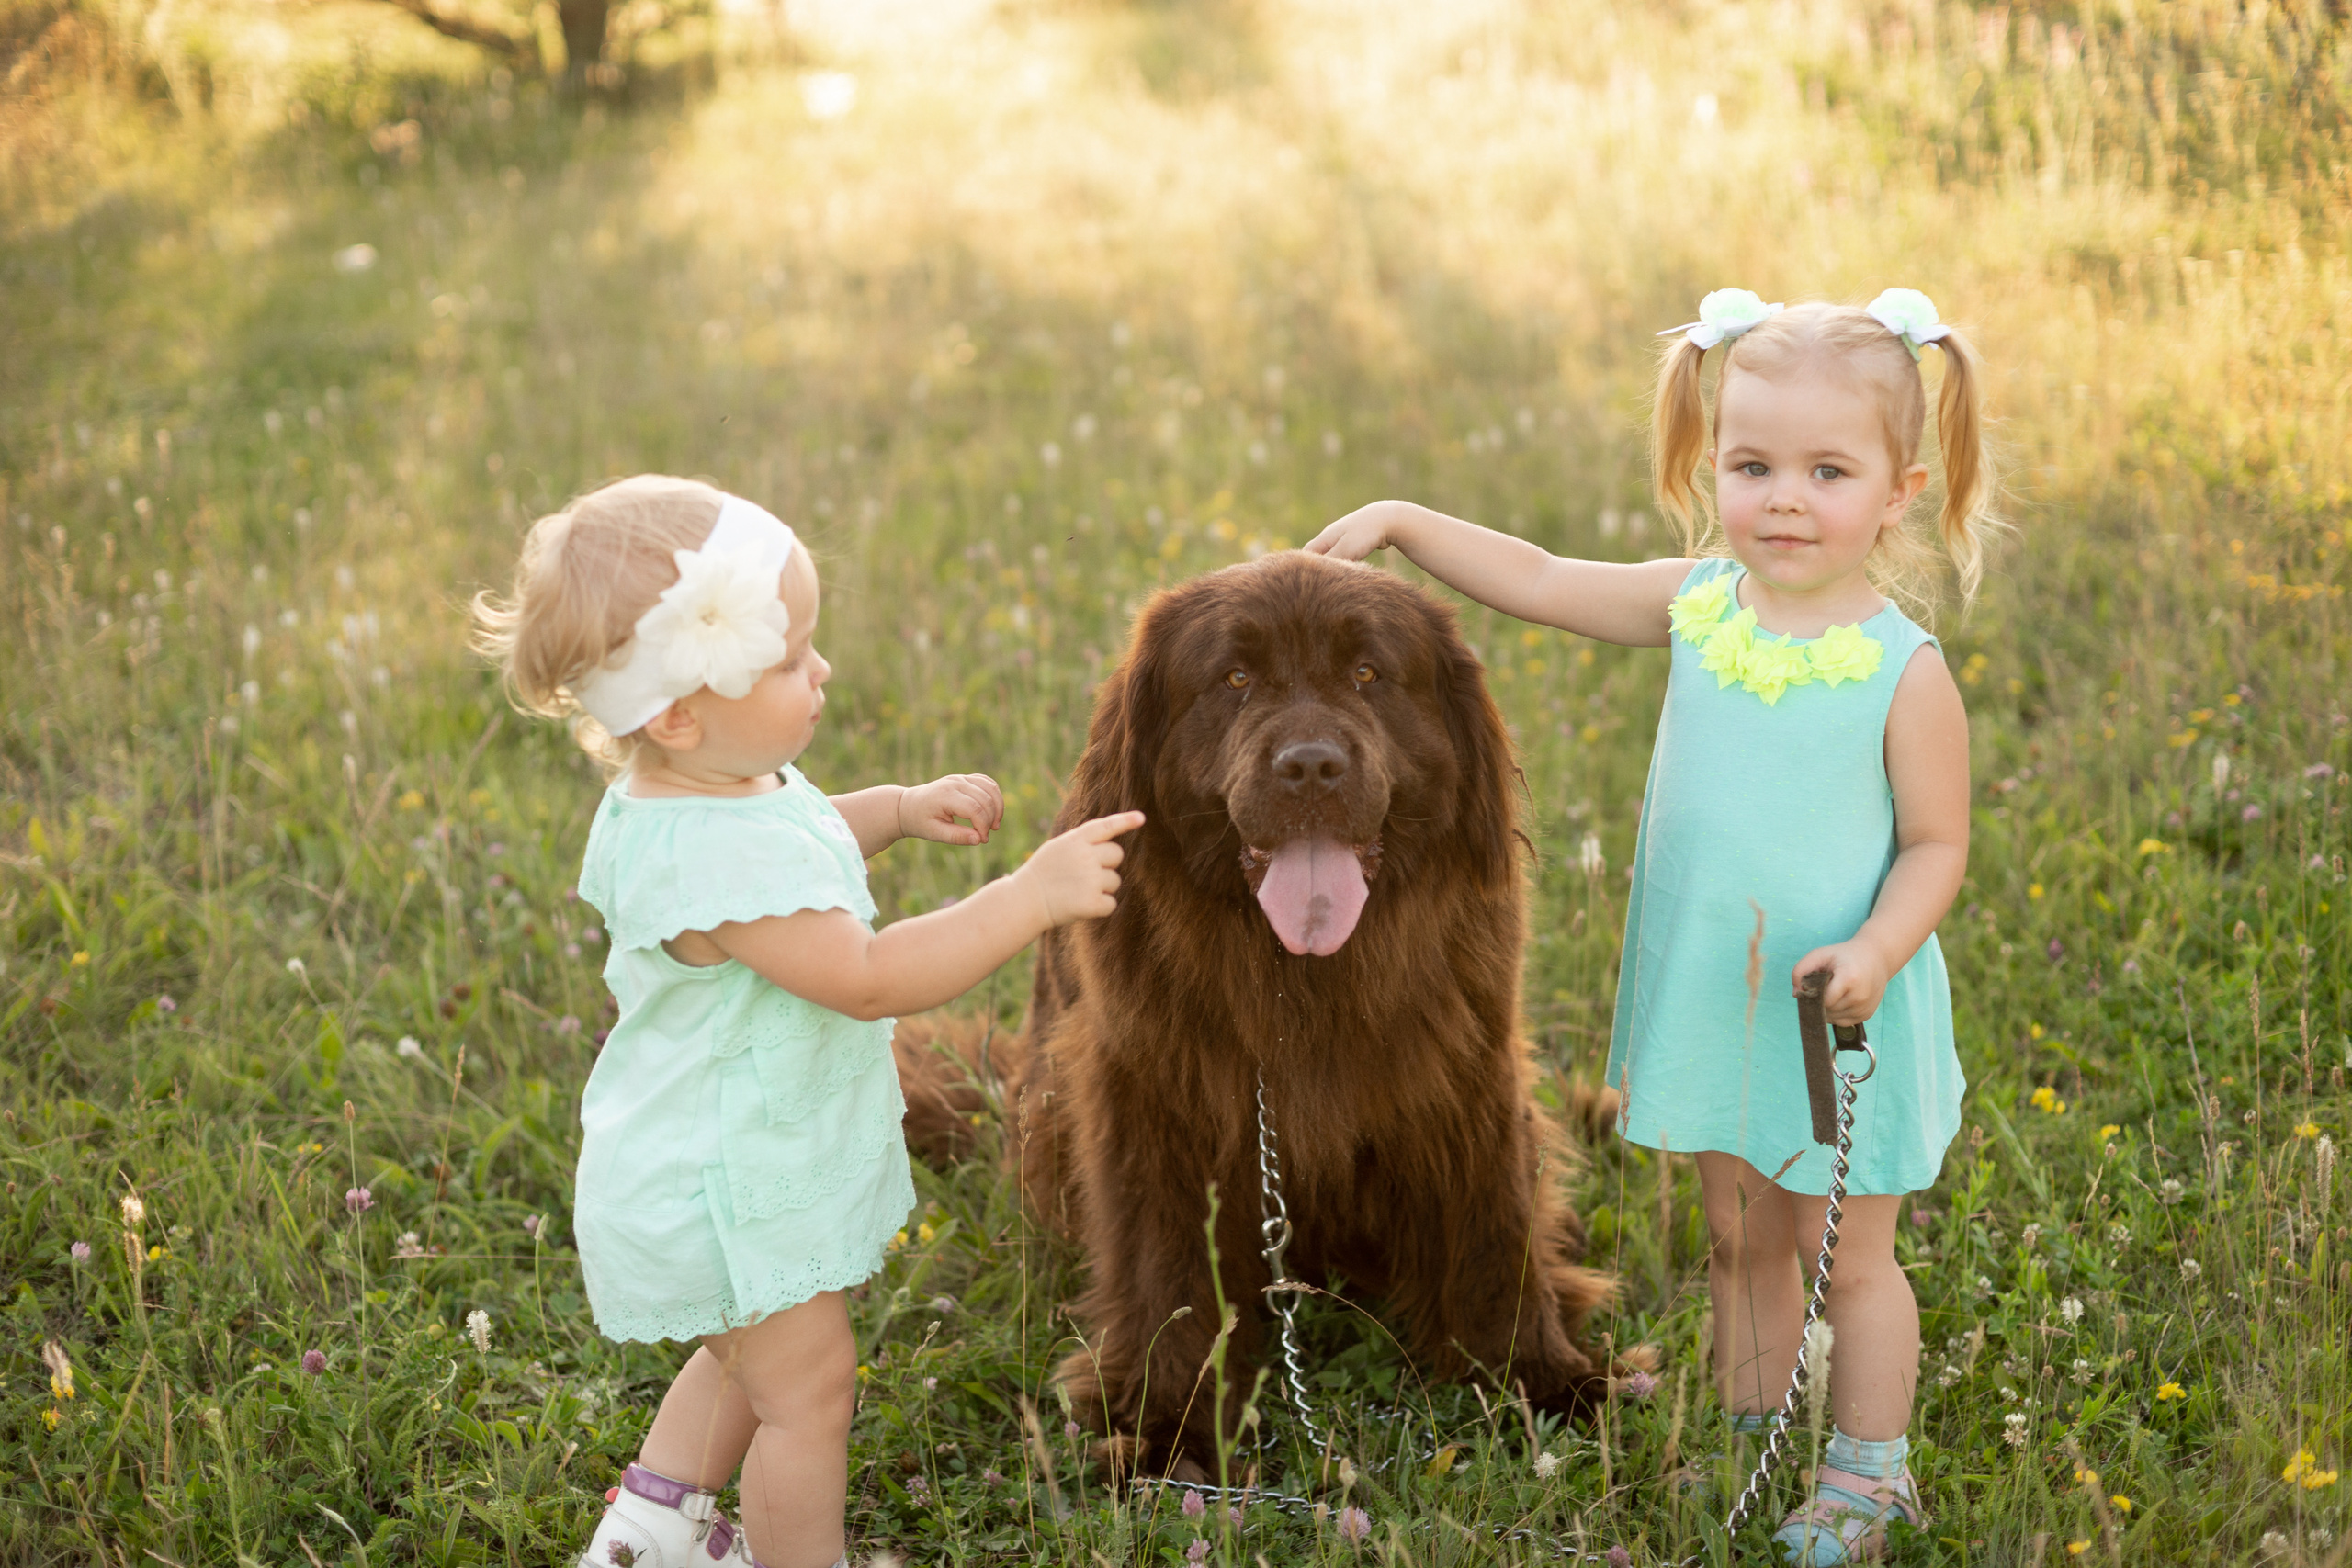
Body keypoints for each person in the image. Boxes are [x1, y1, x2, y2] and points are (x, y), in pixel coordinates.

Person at [1306, 289, 1995, 1564]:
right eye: (1752, 466)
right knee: (1737, 1234)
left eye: (1827, 472)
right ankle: (1750, 1424)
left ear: (1899, 492)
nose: (1783, 500)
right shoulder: (1699, 606)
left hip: (1837, 1016)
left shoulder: (1903, 669)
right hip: (1721, 996)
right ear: (1713, 464)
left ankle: (1868, 1475)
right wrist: (1403, 519)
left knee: (1844, 1254)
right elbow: (1541, 578)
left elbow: (1935, 846)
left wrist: (1877, 950)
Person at [474, 475, 1142, 1568]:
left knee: (752, 1361)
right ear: (678, 712)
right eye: (788, 660)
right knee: (809, 1389)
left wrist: (896, 811)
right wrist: (1027, 896)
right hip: (720, 1185)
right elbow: (869, 976)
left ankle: (651, 1533)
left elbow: (800, 832)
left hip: (735, 1158)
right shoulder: (711, 852)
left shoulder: (700, 791)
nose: (820, 670)